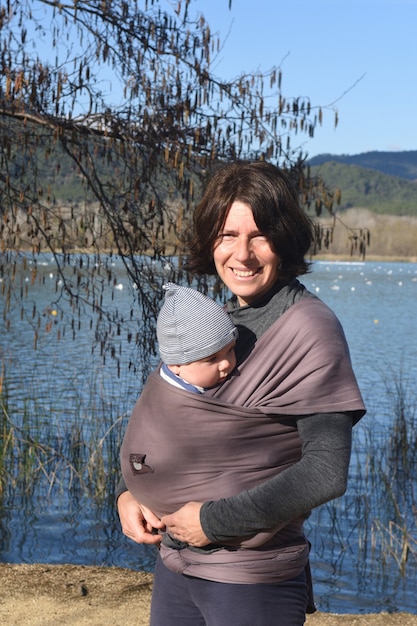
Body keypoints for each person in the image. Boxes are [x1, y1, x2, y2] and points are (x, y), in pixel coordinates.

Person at [117, 160, 366, 626]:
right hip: (175, 568)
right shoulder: (216, 325)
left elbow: (325, 472)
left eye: (259, 235)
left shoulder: (308, 329)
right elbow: (162, 425)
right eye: (227, 234)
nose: (243, 254)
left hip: (249, 583)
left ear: (285, 239)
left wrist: (213, 522)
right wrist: (128, 495)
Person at [156, 282, 238, 393]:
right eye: (212, 359)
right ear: (175, 365)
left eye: (230, 350)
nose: (226, 364)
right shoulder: (177, 399)